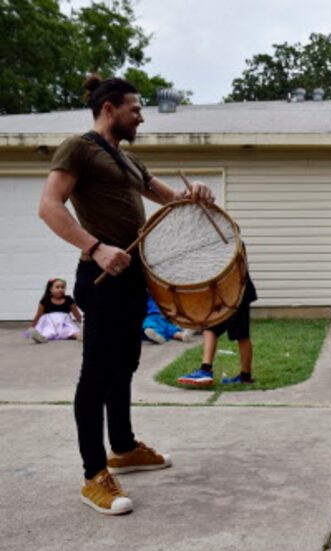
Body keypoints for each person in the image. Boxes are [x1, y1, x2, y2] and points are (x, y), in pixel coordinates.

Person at [38, 75, 215, 515]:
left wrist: (196, 194)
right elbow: (49, 206)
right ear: (109, 108)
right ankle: (93, 474)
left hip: (134, 278)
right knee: (96, 374)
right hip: (100, 278)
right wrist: (94, 248)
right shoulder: (78, 147)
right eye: (135, 108)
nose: (141, 116)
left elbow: (171, 200)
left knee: (125, 364)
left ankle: (123, 446)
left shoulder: (130, 160)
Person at [176, 272, 258, 386]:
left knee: (241, 334)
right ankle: (205, 370)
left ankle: (245, 377)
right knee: (210, 327)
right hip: (222, 290)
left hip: (238, 290)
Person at [28, 278, 83, 342]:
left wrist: (82, 323)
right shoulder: (46, 300)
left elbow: (76, 314)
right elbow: (38, 315)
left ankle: (79, 336)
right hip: (50, 324)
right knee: (48, 332)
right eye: (57, 287)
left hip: (64, 323)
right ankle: (41, 338)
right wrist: (32, 327)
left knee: (71, 330)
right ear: (51, 289)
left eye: (62, 287)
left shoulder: (68, 300)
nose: (60, 289)